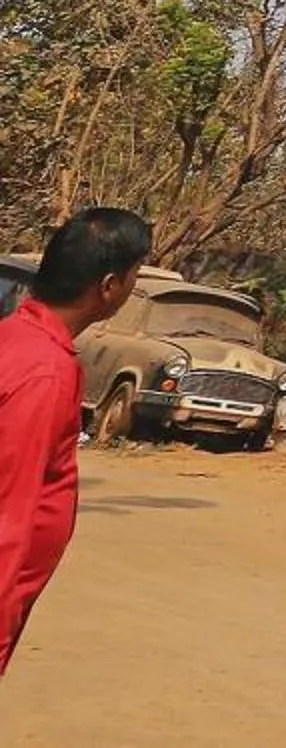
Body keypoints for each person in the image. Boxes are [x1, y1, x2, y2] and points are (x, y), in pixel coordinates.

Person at [0, 207, 149, 677]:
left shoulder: (15, 338)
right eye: (133, 277)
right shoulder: (44, 372)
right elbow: (7, 514)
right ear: (109, 286)